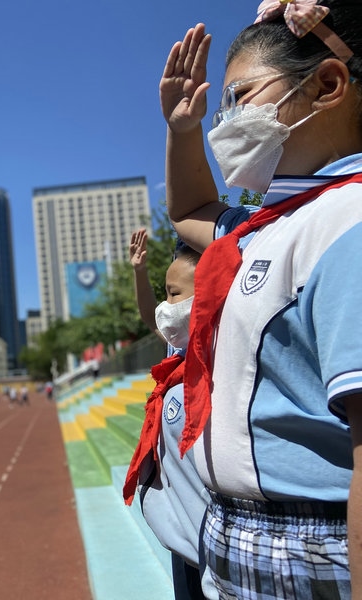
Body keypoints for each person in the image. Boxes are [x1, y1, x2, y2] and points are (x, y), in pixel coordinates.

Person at [162, 3, 362, 596]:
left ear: (328, 85)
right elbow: (190, 210)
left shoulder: (348, 220)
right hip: (242, 534)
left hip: (313, 542)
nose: (225, 120)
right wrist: (182, 129)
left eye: (240, 95)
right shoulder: (272, 224)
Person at [124, 230, 214, 600]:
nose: (167, 305)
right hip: (182, 531)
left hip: (213, 532)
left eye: (174, 294)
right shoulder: (178, 347)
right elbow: (152, 318)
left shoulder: (220, 355)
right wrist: (139, 272)